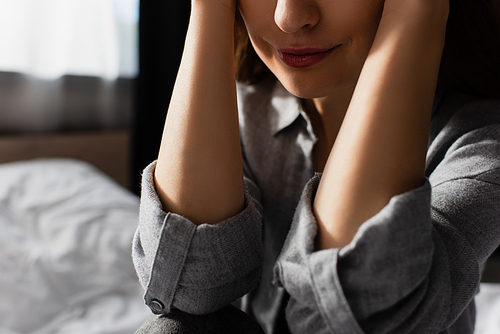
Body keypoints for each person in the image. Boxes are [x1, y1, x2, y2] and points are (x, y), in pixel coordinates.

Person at [132, 0, 500, 332]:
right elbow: (189, 291)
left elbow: (354, 316)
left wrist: (420, 10)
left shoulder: (480, 140)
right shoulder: (234, 114)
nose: (289, 18)